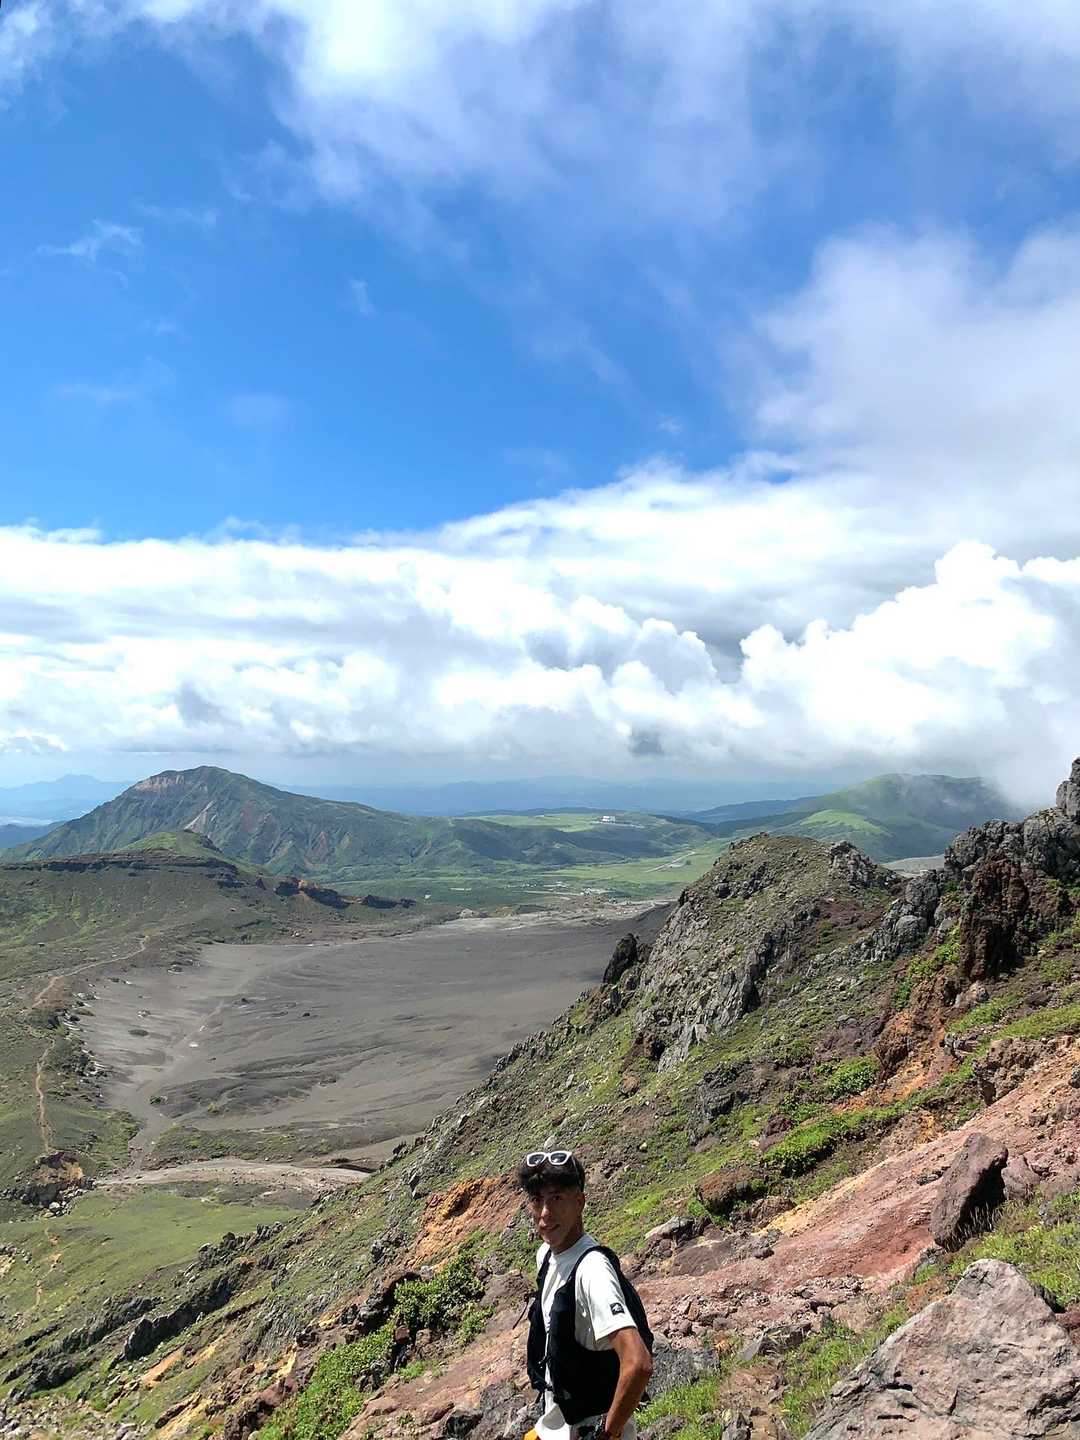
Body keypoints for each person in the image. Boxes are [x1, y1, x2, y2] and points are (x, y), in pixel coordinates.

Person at [519, 1148, 653, 1440]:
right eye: (537, 1200)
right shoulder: (547, 1256)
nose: (545, 1213)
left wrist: (608, 1434)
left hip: (589, 1428)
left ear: (579, 1202)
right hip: (558, 1424)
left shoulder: (592, 1271)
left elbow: (638, 1362)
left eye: (557, 1198)